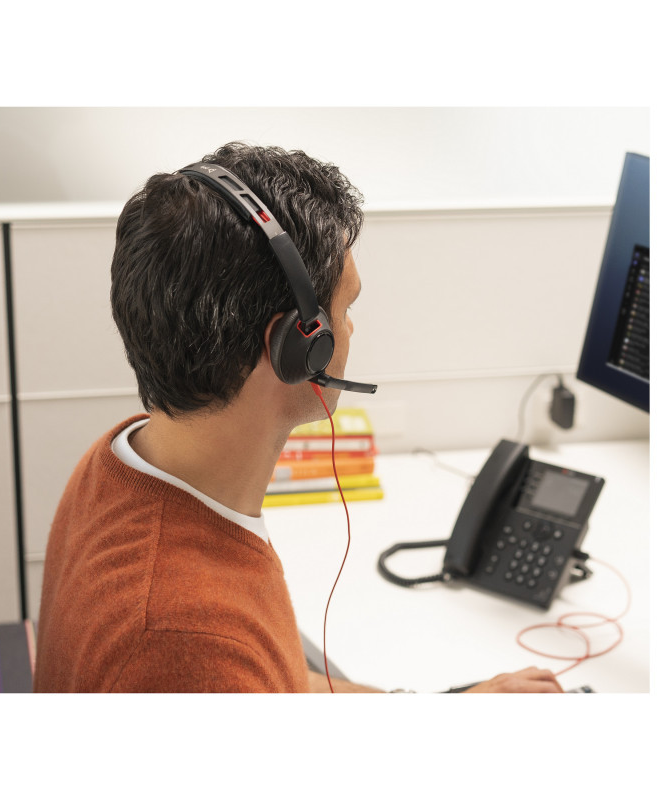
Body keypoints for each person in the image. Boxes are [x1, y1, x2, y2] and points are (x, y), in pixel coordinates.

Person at [33, 142, 563, 693]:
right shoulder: (188, 642)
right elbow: (221, 669)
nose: (351, 330)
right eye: (345, 308)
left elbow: (279, 685)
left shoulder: (124, 459)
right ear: (296, 346)